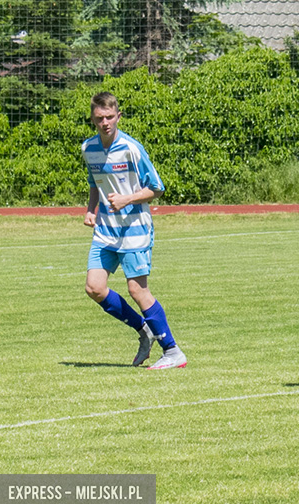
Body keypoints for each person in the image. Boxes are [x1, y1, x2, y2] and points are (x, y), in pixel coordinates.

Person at [83, 91, 186, 370]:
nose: (104, 123)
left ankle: (173, 351)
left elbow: (157, 188)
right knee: (94, 288)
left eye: (109, 117)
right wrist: (92, 209)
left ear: (118, 116)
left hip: (135, 230)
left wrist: (127, 199)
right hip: (106, 231)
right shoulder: (88, 149)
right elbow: (96, 183)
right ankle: (144, 329)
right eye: (99, 119)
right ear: (92, 120)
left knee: (137, 290)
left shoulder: (131, 148)